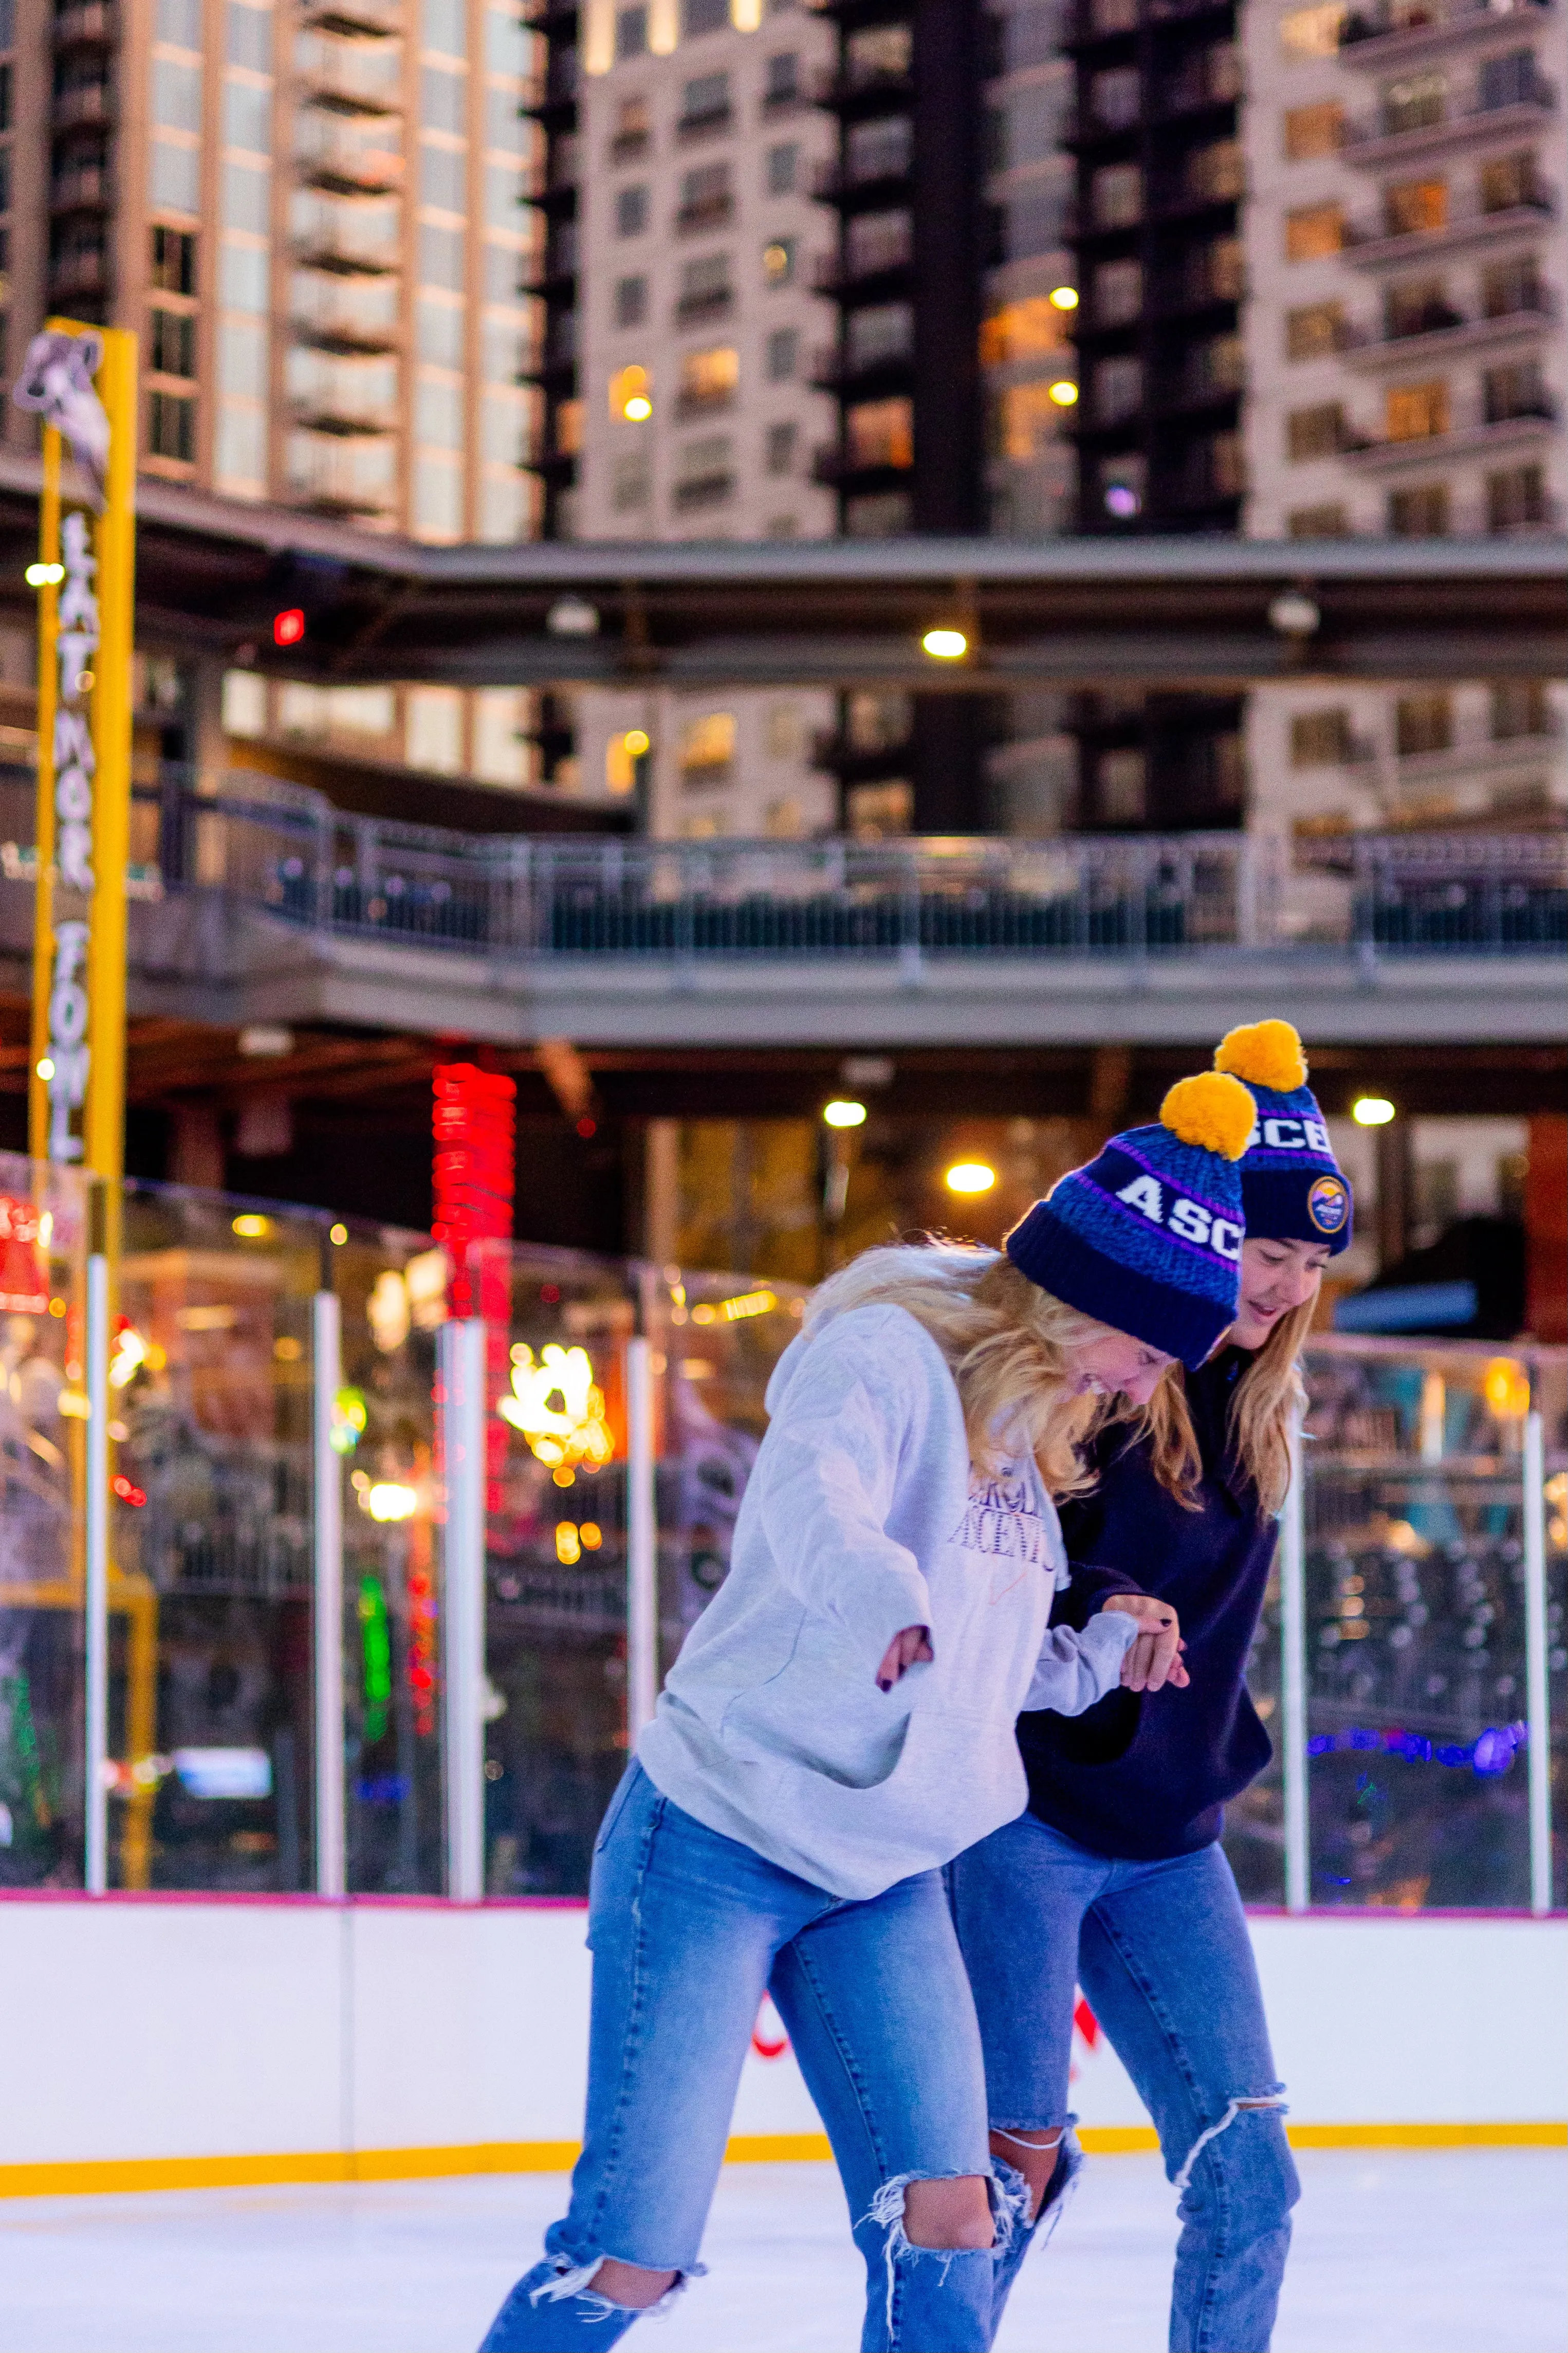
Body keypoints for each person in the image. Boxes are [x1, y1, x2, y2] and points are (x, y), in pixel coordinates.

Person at [478, 1071, 1259, 2353]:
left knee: (956, 2216)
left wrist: (1092, 1655)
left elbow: (990, 1663)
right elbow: (814, 1500)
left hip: (887, 1866)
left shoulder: (1034, 1420)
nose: (1152, 1377)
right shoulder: (881, 1356)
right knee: (631, 2252)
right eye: (1153, 1339)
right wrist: (883, 1597)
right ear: (1092, 1298)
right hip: (718, 1838)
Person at [949, 1019, 1355, 2353]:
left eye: (1308, 1262)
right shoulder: (1104, 1379)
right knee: (1010, 2170)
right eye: (1263, 1252)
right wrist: (1094, 1602)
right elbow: (1001, 1558)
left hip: (1172, 1842)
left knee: (1251, 2175)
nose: (1284, 1285)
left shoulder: (1265, 1409)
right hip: (1025, 1822)